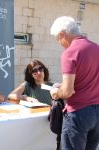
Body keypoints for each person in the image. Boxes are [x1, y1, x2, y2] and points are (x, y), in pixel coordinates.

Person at [50, 16, 99, 150]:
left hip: (78, 112)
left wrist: (56, 91)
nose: (59, 42)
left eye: (57, 39)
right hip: (96, 111)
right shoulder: (96, 48)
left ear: (62, 34)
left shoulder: (70, 52)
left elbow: (67, 92)